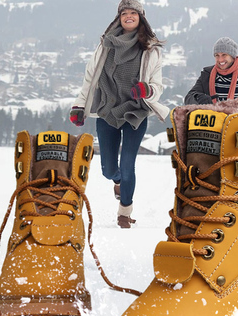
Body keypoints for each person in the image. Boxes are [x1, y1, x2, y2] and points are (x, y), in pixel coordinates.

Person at [69, 0, 169, 229]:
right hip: (107, 110)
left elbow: (158, 85)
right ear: (119, 17)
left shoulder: (150, 48)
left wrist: (147, 90)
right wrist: (79, 106)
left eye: (134, 12)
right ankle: (116, 181)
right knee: (108, 169)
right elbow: (90, 77)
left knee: (127, 165)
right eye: (125, 13)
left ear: (141, 17)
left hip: (135, 112)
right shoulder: (106, 45)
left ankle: (124, 212)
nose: (129, 16)